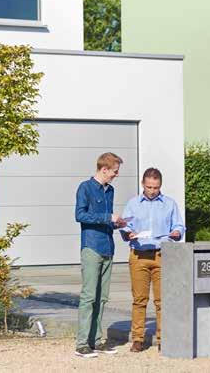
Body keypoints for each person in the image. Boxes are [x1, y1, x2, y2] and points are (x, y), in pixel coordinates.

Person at [120, 168, 185, 353]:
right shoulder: (133, 204)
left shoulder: (169, 204)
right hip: (139, 255)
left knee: (162, 301)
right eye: (149, 187)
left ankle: (164, 339)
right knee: (139, 299)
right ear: (142, 184)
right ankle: (138, 339)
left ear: (160, 186)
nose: (152, 191)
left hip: (162, 255)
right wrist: (127, 232)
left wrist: (177, 232)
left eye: (155, 187)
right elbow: (125, 225)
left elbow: (179, 224)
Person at [75, 152, 126, 358]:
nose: (116, 176)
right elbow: (80, 215)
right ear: (104, 169)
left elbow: (106, 219)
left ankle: (95, 341)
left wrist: (117, 222)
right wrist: (107, 217)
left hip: (108, 247)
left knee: (102, 297)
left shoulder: (110, 190)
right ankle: (81, 344)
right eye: (114, 172)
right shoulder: (85, 188)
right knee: (88, 296)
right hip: (91, 247)